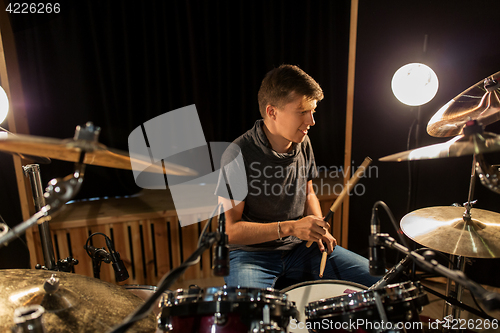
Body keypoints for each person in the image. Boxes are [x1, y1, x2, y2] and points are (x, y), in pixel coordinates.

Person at [215, 64, 379, 290]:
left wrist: (319, 227)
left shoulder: (303, 142)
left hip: (301, 249)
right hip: (251, 256)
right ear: (272, 112)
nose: (311, 121)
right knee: (252, 319)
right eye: (302, 112)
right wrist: (290, 227)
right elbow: (229, 231)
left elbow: (307, 191)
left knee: (381, 283)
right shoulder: (237, 154)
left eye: (313, 111)